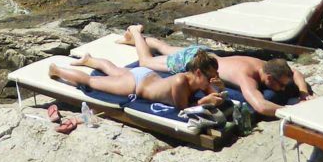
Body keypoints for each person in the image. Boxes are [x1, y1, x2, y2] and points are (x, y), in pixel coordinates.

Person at [119, 25, 311, 118]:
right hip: (192, 62)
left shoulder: (267, 65)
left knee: (166, 49)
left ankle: (141, 40)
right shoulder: (246, 76)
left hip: (206, 55)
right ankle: (136, 32)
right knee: (146, 61)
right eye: (280, 84)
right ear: (269, 77)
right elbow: (260, 106)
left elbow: (295, 72)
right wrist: (291, 111)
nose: (283, 88)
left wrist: (302, 93)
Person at [47, 47, 223, 110]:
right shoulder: (180, 82)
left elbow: (216, 93)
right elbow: (182, 108)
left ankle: (90, 60)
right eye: (211, 77)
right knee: (91, 82)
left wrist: (219, 88)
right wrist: (204, 102)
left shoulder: (199, 81)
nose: (213, 80)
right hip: (135, 84)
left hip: (146, 75)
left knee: (116, 70)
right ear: (199, 73)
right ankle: (56, 70)